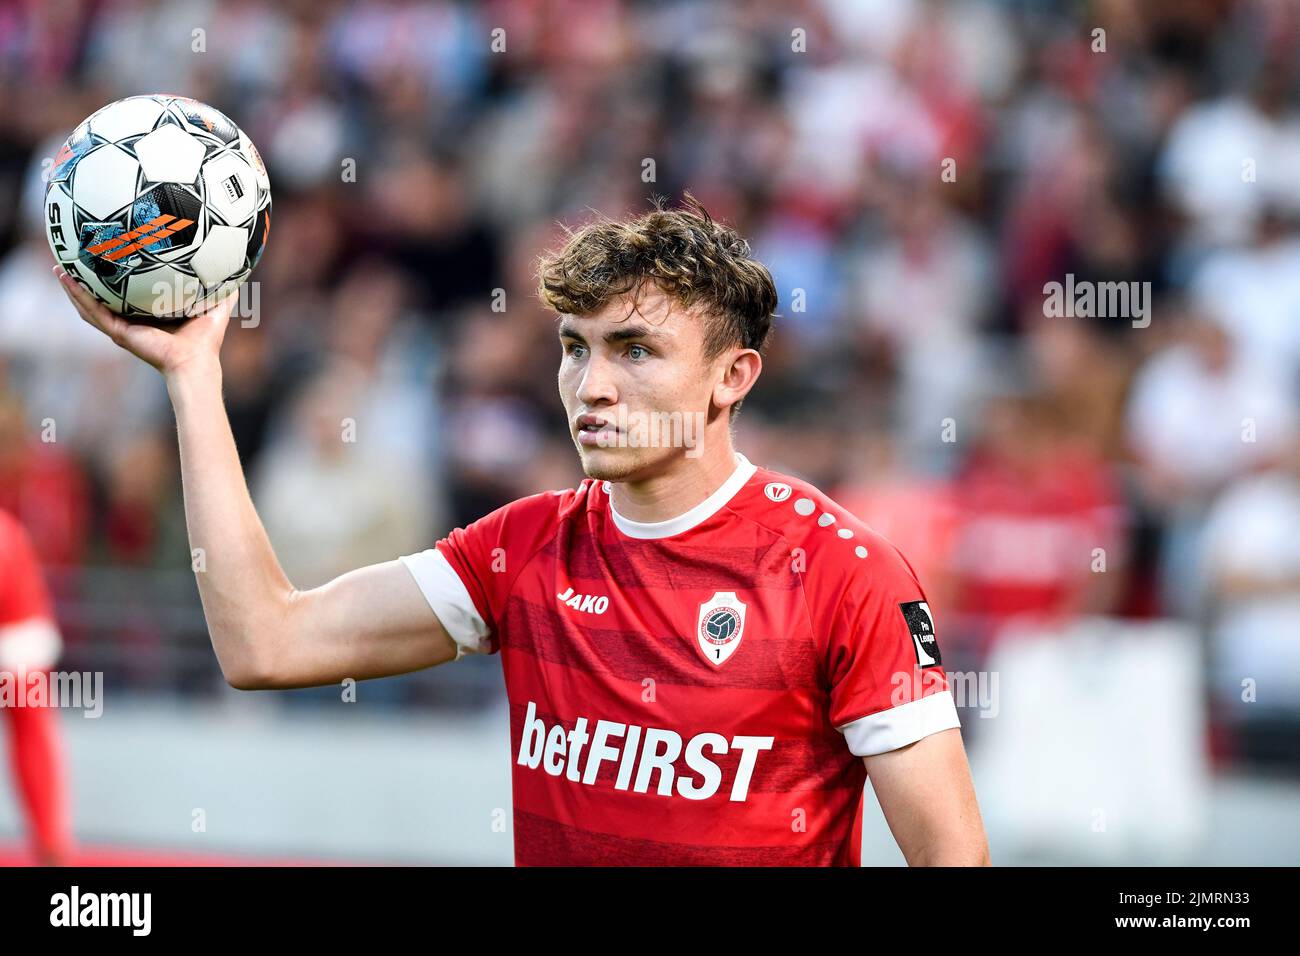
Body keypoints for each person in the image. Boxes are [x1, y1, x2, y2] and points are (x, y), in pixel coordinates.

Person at [54, 195, 989, 867]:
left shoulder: (842, 571)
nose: (592, 385)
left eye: (635, 350)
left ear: (733, 377)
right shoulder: (524, 546)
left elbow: (951, 857)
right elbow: (266, 641)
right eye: (575, 348)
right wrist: (192, 380)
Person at [0, 508, 73, 866]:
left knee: (31, 730)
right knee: (33, 732)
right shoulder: (9, 533)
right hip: (22, 629)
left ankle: (50, 843)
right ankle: (50, 843)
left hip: (18, 627)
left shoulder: (7, 538)